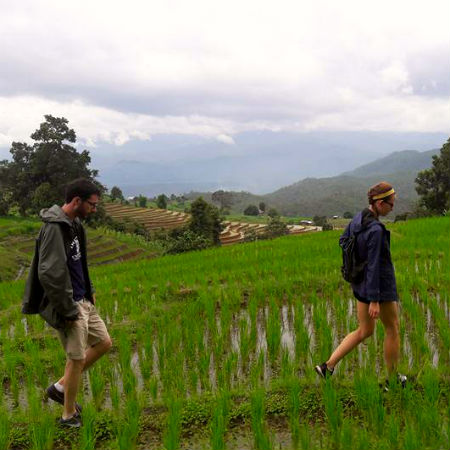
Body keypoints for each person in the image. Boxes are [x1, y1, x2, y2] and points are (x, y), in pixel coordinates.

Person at [22, 178, 112, 427]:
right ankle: (68, 415)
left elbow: (79, 259)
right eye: (92, 205)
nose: (95, 209)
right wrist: (68, 309)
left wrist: (89, 289)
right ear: (76, 201)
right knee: (76, 358)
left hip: (82, 298)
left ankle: (60, 388)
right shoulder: (54, 228)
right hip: (69, 303)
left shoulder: (75, 224)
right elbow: (49, 273)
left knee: (104, 342)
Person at [315, 181, 406, 386]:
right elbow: (374, 265)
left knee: (365, 331)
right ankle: (392, 381)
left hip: (360, 285)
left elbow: (343, 241)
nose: (393, 208)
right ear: (380, 203)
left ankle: (327, 366)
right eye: (391, 204)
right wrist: (374, 299)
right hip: (378, 288)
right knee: (393, 329)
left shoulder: (358, 218)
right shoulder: (376, 230)